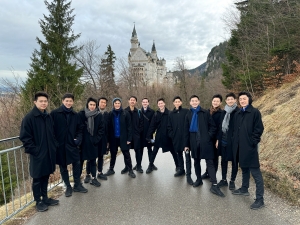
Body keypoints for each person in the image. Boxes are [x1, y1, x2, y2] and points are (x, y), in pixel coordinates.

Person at [20, 91, 59, 212]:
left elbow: (52, 134)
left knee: (46, 176)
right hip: (38, 154)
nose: (43, 103)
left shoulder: (47, 116)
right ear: (35, 102)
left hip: (48, 153)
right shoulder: (29, 118)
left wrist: (54, 146)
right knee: (37, 178)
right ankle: (38, 201)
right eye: (41, 101)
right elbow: (25, 137)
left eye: (45, 101)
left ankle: (45, 198)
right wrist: (36, 151)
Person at [184, 95, 224, 197]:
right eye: (192, 101)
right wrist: (186, 145)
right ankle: (199, 179)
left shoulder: (205, 112)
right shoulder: (188, 114)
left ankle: (214, 184)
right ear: (190, 102)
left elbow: (213, 127)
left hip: (206, 142)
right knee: (196, 162)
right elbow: (185, 131)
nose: (194, 102)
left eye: (196, 101)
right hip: (194, 142)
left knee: (210, 162)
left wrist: (208, 137)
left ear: (199, 101)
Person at [232, 91, 265, 210]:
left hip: (250, 147)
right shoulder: (238, 114)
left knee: (255, 173)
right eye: (240, 99)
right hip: (240, 148)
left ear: (249, 99)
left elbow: (259, 128)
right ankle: (244, 188)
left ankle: (260, 199)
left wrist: (253, 142)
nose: (242, 100)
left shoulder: (254, 112)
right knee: (244, 168)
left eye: (244, 98)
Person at [50, 93, 87, 197]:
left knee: (77, 163)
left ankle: (77, 184)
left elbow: (80, 129)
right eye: (66, 101)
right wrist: (55, 142)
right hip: (60, 145)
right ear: (62, 101)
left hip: (72, 144)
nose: (68, 103)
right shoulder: (54, 114)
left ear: (73, 102)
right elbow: (50, 130)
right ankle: (68, 186)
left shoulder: (75, 115)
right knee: (63, 166)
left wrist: (78, 140)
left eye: (70, 101)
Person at [104, 98, 136, 178]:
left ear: (120, 104)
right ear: (113, 104)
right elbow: (108, 127)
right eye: (115, 103)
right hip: (113, 138)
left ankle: (130, 170)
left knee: (126, 154)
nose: (117, 104)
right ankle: (111, 169)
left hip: (123, 138)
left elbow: (129, 127)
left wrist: (129, 138)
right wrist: (108, 140)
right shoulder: (110, 114)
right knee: (113, 154)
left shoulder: (125, 113)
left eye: (118, 103)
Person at [146, 98, 179, 174]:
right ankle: (150, 166)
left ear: (164, 103)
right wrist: (148, 136)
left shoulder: (170, 113)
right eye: (159, 103)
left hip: (168, 136)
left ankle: (178, 166)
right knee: (154, 152)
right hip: (159, 136)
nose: (160, 105)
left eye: (161, 103)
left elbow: (173, 125)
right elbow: (152, 126)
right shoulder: (156, 114)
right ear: (158, 105)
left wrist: (173, 135)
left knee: (173, 152)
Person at [216, 93, 239, 190]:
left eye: (231, 99)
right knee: (223, 161)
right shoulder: (223, 112)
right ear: (226, 101)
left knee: (234, 161)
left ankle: (232, 181)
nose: (230, 101)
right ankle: (224, 179)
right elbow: (219, 127)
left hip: (233, 142)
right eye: (228, 99)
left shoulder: (238, 112)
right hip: (223, 140)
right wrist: (218, 139)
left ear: (235, 100)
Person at [167, 96, 193, 185]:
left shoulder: (186, 111)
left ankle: (188, 175)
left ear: (181, 102)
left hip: (185, 138)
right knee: (179, 155)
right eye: (175, 101)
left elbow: (190, 123)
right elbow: (169, 126)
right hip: (176, 138)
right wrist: (172, 135)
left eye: (179, 101)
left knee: (187, 156)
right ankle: (181, 170)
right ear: (173, 103)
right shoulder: (171, 114)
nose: (177, 103)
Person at [79, 98, 104, 187]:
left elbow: (101, 129)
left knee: (93, 160)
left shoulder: (99, 115)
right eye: (91, 104)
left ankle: (94, 178)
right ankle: (79, 181)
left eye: (94, 105)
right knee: (80, 161)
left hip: (93, 142)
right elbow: (78, 128)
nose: (92, 106)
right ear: (87, 105)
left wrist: (96, 140)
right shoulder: (81, 114)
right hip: (82, 143)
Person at [202, 94, 223, 179]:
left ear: (220, 102)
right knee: (208, 156)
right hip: (208, 137)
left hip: (216, 138)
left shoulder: (222, 113)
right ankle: (207, 172)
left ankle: (213, 174)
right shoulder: (207, 112)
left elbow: (221, 127)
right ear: (212, 101)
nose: (215, 102)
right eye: (214, 101)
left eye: (217, 101)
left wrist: (218, 139)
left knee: (215, 157)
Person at [125, 96, 144, 173]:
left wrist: (138, 132)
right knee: (126, 151)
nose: (132, 101)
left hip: (136, 135)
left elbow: (142, 124)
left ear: (136, 102)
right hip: (127, 135)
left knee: (138, 151)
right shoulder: (124, 111)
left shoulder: (139, 112)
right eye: (131, 100)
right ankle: (127, 167)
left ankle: (138, 166)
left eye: (134, 100)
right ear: (128, 101)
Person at [140, 97, 157, 173]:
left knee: (150, 150)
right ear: (141, 103)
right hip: (141, 134)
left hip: (149, 134)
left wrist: (151, 133)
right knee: (140, 150)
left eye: (146, 102)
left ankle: (151, 164)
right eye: (143, 102)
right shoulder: (139, 112)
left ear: (148, 103)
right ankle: (138, 164)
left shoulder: (152, 112)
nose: (145, 103)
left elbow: (153, 124)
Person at [96, 97, 110, 180]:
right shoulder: (94, 112)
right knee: (92, 158)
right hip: (95, 139)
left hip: (104, 139)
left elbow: (108, 128)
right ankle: (88, 174)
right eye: (102, 102)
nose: (103, 104)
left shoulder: (106, 114)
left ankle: (100, 172)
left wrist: (108, 141)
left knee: (101, 156)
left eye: (104, 103)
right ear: (98, 103)